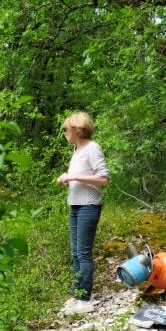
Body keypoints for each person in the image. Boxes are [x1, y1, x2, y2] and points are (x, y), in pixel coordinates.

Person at [57, 112, 110, 313]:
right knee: (75, 253)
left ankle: (85, 300)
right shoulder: (77, 151)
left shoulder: (92, 148)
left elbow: (104, 178)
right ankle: (77, 294)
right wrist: (68, 180)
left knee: (83, 253)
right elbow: (79, 179)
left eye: (66, 129)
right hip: (75, 205)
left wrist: (74, 177)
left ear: (77, 129)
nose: (64, 133)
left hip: (89, 206)